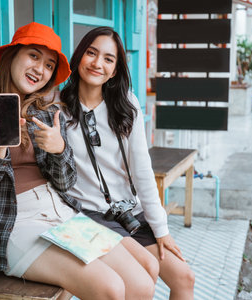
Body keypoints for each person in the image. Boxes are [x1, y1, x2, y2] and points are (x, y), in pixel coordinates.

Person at [0, 22, 156, 300]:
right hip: (14, 223)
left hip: (61, 212)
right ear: (12, 55)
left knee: (142, 283)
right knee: (111, 288)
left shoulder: (45, 112)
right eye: (33, 56)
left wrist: (59, 150)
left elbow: (65, 181)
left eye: (48, 65)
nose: (40, 69)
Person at [60, 26, 195, 299]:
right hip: (90, 216)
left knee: (185, 278)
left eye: (109, 59)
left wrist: (161, 229)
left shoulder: (126, 104)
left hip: (128, 213)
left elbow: (142, 171)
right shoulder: (58, 109)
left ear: (115, 70)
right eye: (91, 53)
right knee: (140, 283)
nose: (98, 63)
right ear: (79, 57)